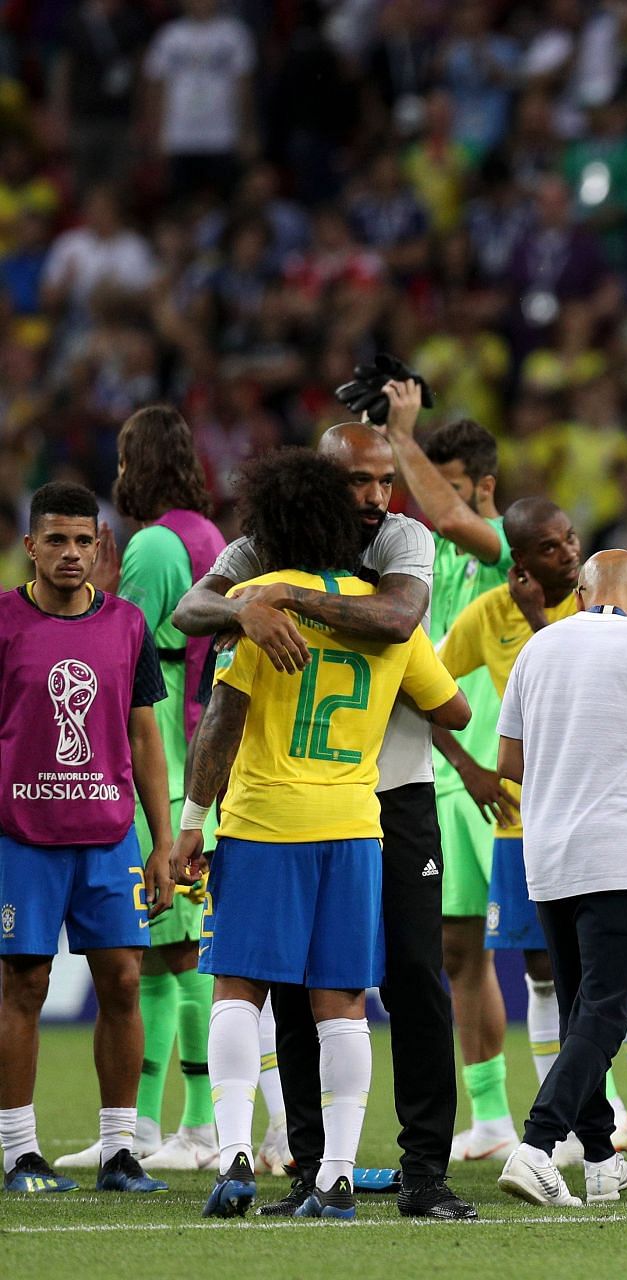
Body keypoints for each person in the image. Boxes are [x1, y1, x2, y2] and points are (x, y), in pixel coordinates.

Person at [172, 422, 472, 1219]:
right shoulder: (263, 562)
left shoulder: (392, 544)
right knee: (334, 994)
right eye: (358, 484)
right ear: (321, 486)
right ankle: (321, 1169)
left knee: (372, 980)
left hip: (328, 805)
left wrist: (272, 603)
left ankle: (406, 1171)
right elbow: (191, 606)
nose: (377, 498)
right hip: (353, 807)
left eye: (385, 481)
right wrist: (249, 608)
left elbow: (397, 620)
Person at [437, 499, 627, 1163]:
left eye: (570, 540)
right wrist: (469, 768)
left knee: (609, 977)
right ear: (519, 562)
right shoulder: (485, 617)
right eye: (552, 548)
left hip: (602, 820)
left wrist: (537, 615)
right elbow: (421, 688)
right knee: (543, 972)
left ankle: (613, 1112)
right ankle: (580, 1125)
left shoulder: (596, 610)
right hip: (525, 823)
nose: (567, 554)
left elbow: (567, 666)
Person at [51, 407, 226, 1175]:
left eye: (124, 458)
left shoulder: (154, 544)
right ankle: (146, 1125)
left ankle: (202, 1125)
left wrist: (109, 591)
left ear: (137, 464)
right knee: (158, 957)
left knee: (182, 953)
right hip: (202, 760)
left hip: (172, 768)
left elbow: (121, 653)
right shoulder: (207, 536)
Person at [493, 551, 627, 1207]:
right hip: (618, 849)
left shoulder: (539, 649)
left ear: (579, 594)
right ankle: (537, 1145)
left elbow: (509, 761)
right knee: (608, 1010)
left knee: (581, 1007)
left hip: (545, 854)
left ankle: (602, 1159)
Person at [0, 482, 174, 1196]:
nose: (72, 553)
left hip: (109, 839)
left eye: (84, 541)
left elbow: (145, 736)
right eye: (58, 540)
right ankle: (19, 1154)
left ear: (102, 546)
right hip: (23, 838)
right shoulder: (4, 622)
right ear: (31, 547)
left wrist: (162, 841)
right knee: (24, 984)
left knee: (125, 983)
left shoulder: (128, 624)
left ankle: (120, 1152)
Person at [383, 389, 520, 1163]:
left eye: (450, 480)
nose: (434, 496)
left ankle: (601, 1107)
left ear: (483, 487)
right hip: (443, 772)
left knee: (546, 954)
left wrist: (401, 435)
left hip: (505, 777)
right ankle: (494, 1114)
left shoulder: (500, 541)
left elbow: (445, 514)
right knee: (459, 951)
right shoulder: (421, 558)